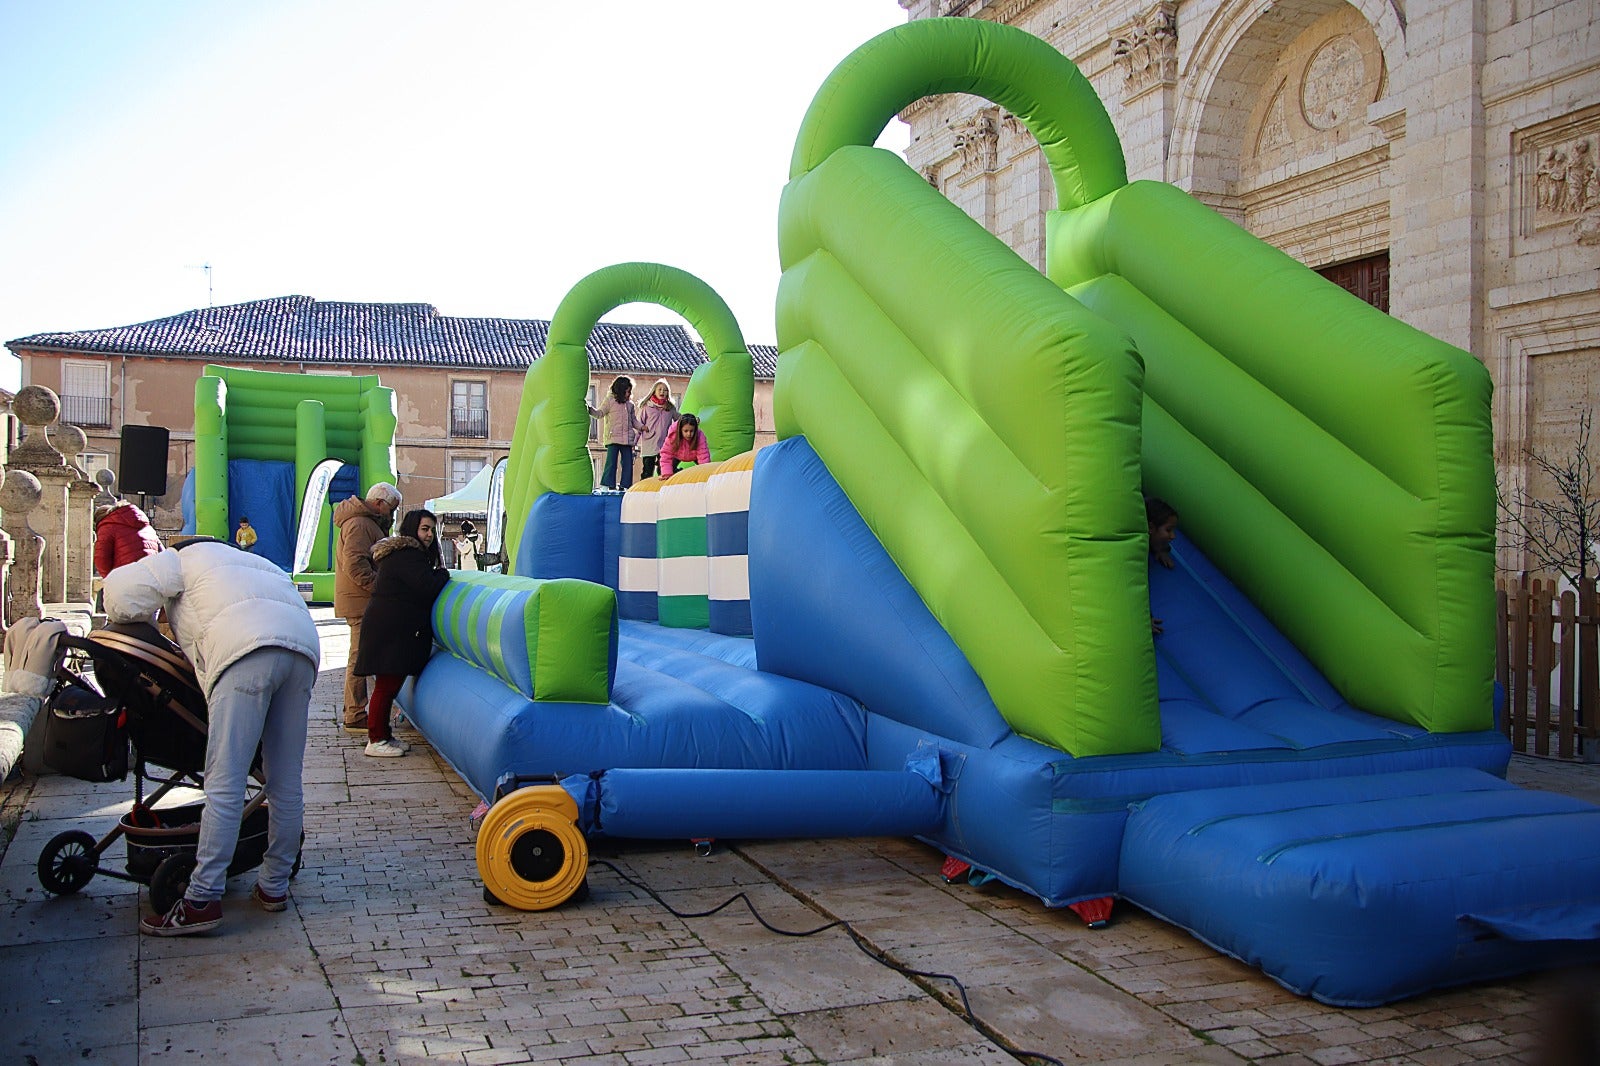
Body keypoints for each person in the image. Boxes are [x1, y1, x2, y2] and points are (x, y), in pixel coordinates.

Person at [103, 537, 320, 936]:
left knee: (225, 781)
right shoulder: (256, 562)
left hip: (243, 652)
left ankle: (201, 899)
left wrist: (155, 609)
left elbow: (119, 596)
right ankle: (273, 886)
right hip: (303, 649)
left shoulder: (180, 560)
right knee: (284, 781)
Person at [353, 508, 451, 757]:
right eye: (424, 529)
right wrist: (443, 573)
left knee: (389, 684)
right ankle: (375, 739)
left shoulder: (401, 554)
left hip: (389, 628)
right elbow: (426, 585)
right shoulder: (409, 555)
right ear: (412, 529)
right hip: (390, 630)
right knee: (386, 685)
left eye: (431, 530)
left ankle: (383, 735)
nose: (429, 535)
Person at [333, 482, 402, 735]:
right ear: (379, 504)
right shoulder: (360, 524)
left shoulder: (362, 522)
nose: (392, 514)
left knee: (361, 656)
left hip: (360, 600)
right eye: (391, 508)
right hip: (361, 601)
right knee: (359, 658)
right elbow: (355, 565)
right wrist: (379, 587)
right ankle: (355, 713)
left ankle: (359, 710)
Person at [588, 375, 647, 490]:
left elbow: (633, 420)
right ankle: (606, 484)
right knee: (611, 463)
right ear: (620, 391)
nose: (629, 394)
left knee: (628, 463)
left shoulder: (630, 405)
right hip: (613, 438)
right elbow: (600, 413)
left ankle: (625, 485)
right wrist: (590, 410)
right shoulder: (609, 401)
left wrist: (642, 427)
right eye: (627, 392)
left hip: (627, 440)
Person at [93, 499, 161, 579]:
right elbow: (161, 552)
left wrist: (110, 580)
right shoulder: (147, 528)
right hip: (151, 577)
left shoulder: (107, 527)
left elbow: (101, 561)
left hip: (126, 577)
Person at [1146, 496, 1179, 635]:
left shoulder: (1150, 536)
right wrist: (1146, 618)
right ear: (1150, 527)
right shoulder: (1135, 550)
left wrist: (1160, 549)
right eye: (1168, 530)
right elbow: (1131, 585)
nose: (1173, 536)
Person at [636, 379, 679, 480]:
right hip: (649, 443)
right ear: (654, 391)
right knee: (647, 470)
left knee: (663, 469)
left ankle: (661, 490)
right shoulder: (646, 407)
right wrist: (634, 443)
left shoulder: (670, 408)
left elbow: (679, 418)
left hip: (665, 443)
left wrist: (691, 419)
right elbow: (638, 424)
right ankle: (644, 491)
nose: (662, 392)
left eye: (665, 390)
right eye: (660, 389)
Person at [659, 412, 710, 479]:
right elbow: (666, 454)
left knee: (705, 470)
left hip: (694, 456)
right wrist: (666, 473)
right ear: (680, 430)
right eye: (685, 431)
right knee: (663, 470)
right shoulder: (673, 436)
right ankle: (677, 472)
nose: (689, 434)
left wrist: (705, 473)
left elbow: (703, 456)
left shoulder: (699, 436)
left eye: (691, 431)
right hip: (677, 455)